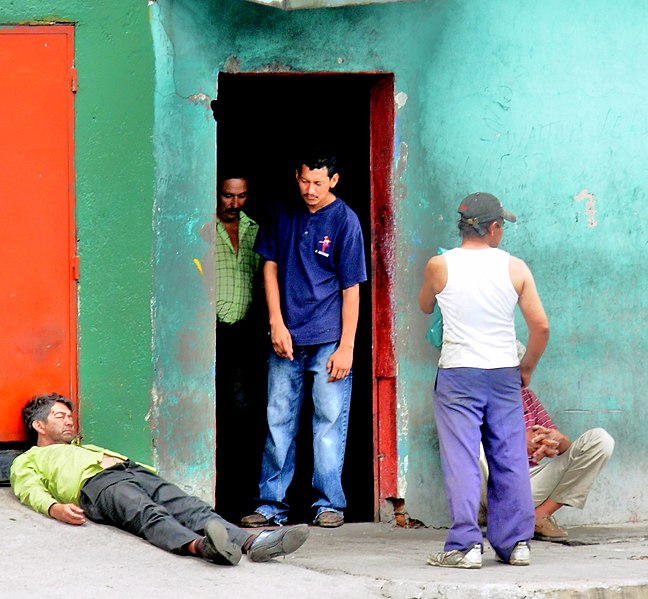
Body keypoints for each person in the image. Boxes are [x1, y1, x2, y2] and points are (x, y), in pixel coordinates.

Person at [10, 394, 309, 565]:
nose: (69, 420)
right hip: (98, 485)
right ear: (39, 424)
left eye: (69, 416)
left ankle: (252, 542)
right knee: (148, 514)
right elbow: (28, 489)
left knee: (191, 506)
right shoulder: (29, 459)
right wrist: (54, 508)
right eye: (59, 416)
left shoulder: (81, 446)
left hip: (133, 472)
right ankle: (202, 547)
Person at [418, 192, 550, 568]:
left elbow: (426, 304)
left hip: (458, 373)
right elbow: (540, 325)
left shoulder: (439, 265)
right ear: (493, 228)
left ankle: (465, 547)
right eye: (501, 226)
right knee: (509, 456)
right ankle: (516, 545)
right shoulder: (515, 268)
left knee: (461, 457)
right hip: (504, 372)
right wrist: (526, 368)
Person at [241, 151, 367, 529]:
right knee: (278, 419)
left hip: (329, 338)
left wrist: (347, 346)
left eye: (318, 182)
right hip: (286, 337)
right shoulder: (282, 212)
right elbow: (270, 267)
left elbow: (351, 289)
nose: (310, 190)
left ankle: (329, 503)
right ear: (295, 176)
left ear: (334, 180)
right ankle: (271, 505)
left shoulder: (345, 221)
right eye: (304, 181)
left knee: (328, 420)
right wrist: (276, 323)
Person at [479, 376, 614, 542]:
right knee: (475, 449)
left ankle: (538, 517)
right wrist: (516, 441)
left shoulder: (527, 397)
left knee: (600, 440)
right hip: (493, 484)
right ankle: (495, 517)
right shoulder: (477, 398)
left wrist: (557, 439)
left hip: (528, 482)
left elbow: (561, 448)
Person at [214, 172, 266, 520]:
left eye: (242, 196)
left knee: (243, 417)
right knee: (214, 415)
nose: (234, 204)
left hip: (245, 334)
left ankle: (240, 500)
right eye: (228, 196)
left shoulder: (254, 230)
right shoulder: (201, 226)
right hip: (210, 332)